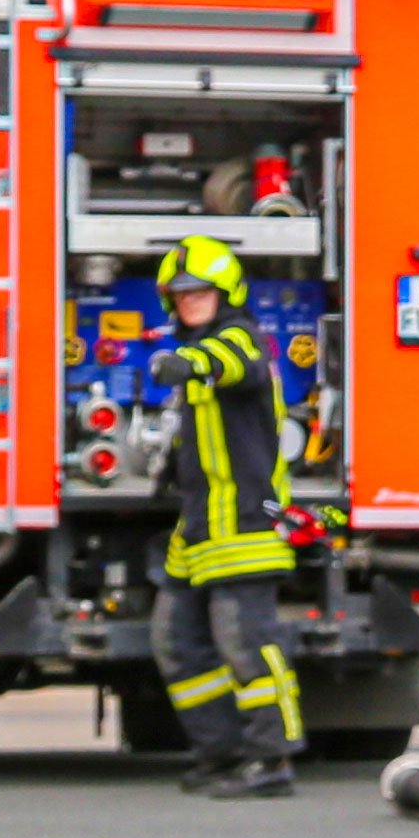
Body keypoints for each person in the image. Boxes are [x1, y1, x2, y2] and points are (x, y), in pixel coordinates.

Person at [146, 234, 302, 798]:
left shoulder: (239, 340)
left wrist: (184, 360)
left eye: (200, 292)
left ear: (226, 291)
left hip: (244, 524)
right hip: (199, 526)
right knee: (175, 639)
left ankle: (272, 760)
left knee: (248, 643)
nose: (190, 301)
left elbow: (232, 361)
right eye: (181, 295)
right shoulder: (198, 355)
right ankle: (220, 753)